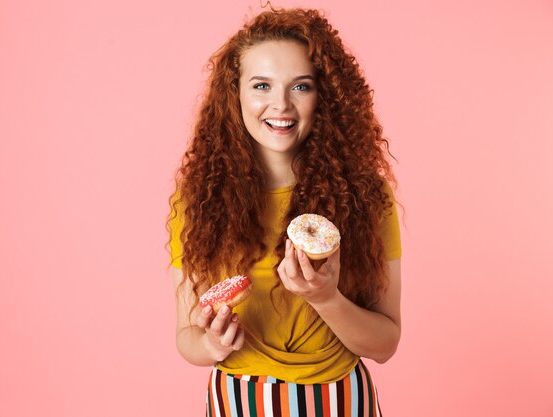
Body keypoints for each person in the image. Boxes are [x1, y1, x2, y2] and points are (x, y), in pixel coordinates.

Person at [168, 7, 402, 416]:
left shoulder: (366, 197)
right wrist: (210, 345)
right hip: (238, 400)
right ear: (234, 93)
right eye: (261, 85)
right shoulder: (197, 201)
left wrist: (326, 299)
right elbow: (187, 335)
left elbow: (385, 344)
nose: (280, 105)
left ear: (324, 96)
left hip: (339, 400)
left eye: (301, 87)